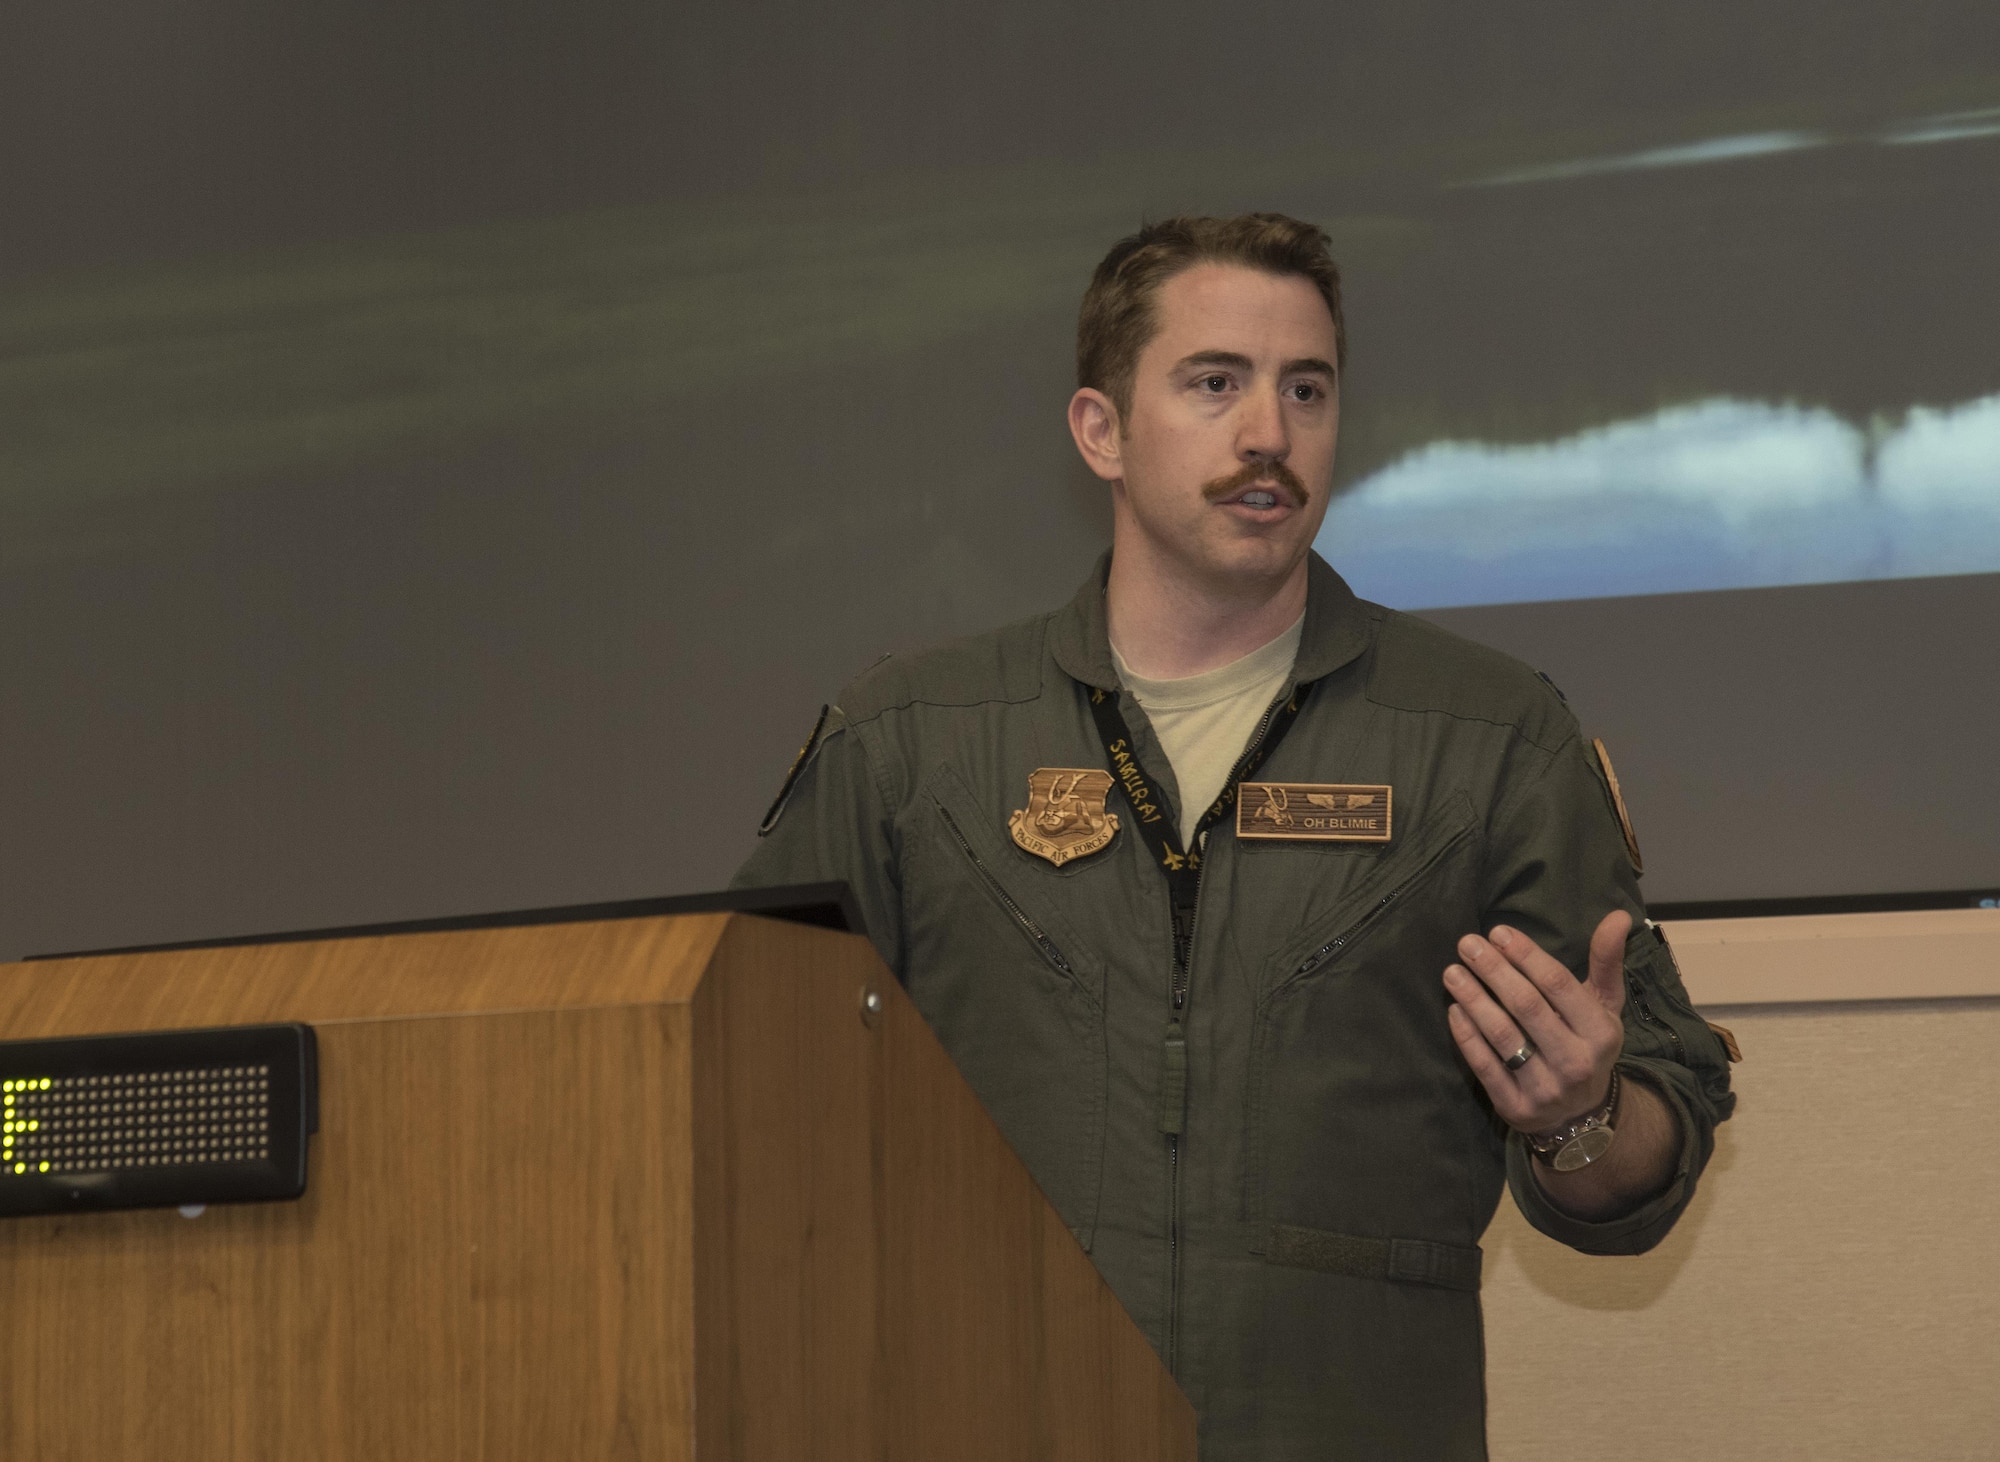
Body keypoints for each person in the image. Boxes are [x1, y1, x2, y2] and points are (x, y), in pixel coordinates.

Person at [734, 213, 1735, 1458]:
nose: (1268, 432)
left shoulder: (1482, 736)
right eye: (1214, 383)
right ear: (1099, 430)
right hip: (988, 1410)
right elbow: (737, 1099)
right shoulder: (914, 737)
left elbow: (1644, 1151)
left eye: (1304, 389)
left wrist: (1575, 1116)